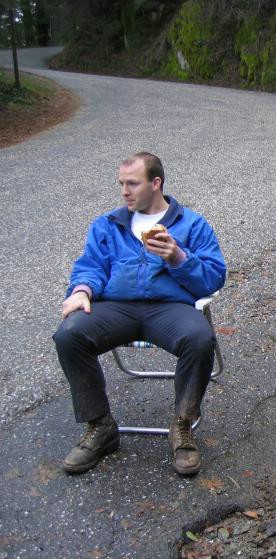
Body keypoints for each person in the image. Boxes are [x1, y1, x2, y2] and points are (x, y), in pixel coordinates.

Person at [53, 152, 226, 476]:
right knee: (69, 334)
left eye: (132, 183)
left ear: (155, 183)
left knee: (200, 337)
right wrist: (81, 291)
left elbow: (214, 278)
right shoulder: (108, 224)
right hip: (116, 307)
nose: (124, 191)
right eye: (121, 184)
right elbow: (91, 266)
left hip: (169, 308)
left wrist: (178, 257)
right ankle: (101, 427)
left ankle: (182, 425)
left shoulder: (192, 224)